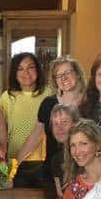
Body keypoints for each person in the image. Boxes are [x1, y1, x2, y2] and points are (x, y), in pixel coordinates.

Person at [15, 56, 86, 186]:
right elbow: (35, 136)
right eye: (58, 76)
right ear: (55, 81)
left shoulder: (89, 102)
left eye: (67, 73)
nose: (64, 78)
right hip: (52, 170)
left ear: (77, 74)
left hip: (82, 170)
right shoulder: (49, 103)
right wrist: (15, 165)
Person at [0, 52, 46, 187]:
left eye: (30, 67)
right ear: (14, 73)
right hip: (14, 161)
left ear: (37, 70)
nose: (26, 72)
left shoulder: (48, 95)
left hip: (41, 161)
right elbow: (2, 131)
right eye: (20, 68)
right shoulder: (7, 97)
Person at [59, 120, 101, 199]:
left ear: (97, 145)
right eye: (73, 145)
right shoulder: (73, 188)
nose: (77, 151)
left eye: (83, 144)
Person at [48, 104, 79, 198]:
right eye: (55, 124)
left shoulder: (85, 154)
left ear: (76, 123)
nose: (59, 128)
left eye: (64, 122)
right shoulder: (56, 160)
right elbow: (61, 195)